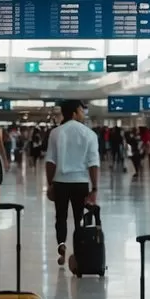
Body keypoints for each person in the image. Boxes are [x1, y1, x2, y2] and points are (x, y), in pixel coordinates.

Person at [45, 100, 99, 268]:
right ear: (75, 112)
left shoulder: (56, 133)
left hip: (60, 182)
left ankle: (61, 244)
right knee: (79, 219)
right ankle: (78, 251)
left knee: (60, 216)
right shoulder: (89, 134)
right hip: (81, 182)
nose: (84, 114)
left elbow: (50, 162)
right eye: (82, 111)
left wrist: (50, 184)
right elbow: (93, 164)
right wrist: (94, 188)